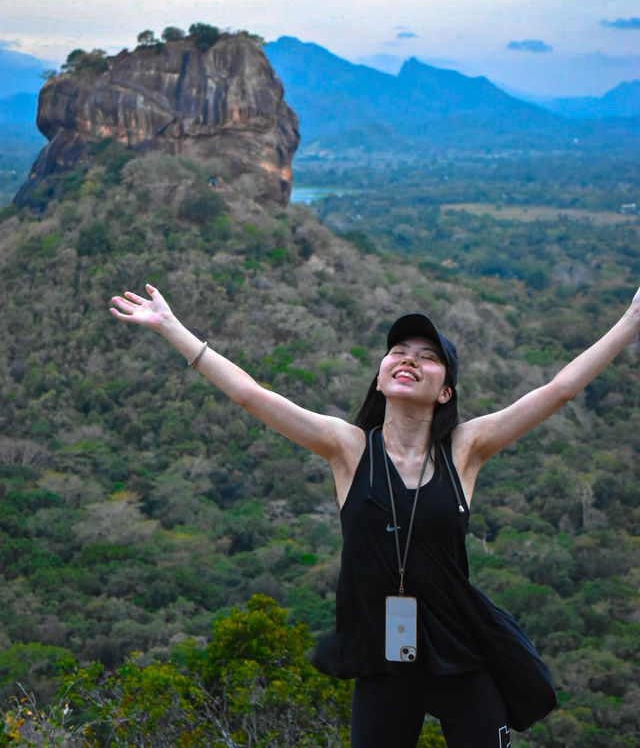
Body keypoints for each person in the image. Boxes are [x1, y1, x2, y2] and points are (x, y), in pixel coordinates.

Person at [110, 283, 640, 748]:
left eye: (427, 356)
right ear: (381, 377)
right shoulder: (347, 448)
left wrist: (632, 320)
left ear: (445, 389)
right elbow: (252, 396)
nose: (408, 359)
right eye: (398, 351)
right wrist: (171, 327)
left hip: (462, 650)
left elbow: (559, 390)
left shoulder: (465, 448)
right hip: (385, 656)